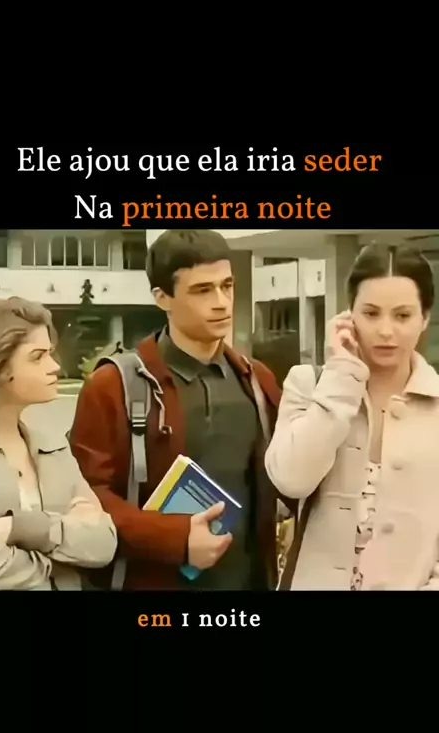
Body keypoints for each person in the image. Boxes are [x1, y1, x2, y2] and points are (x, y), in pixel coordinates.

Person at [69, 229, 290, 590]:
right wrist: (174, 538)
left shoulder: (257, 380)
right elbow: (85, 496)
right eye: (202, 290)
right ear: (162, 298)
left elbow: (292, 475)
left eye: (227, 286)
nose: (221, 302)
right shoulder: (113, 386)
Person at [265, 243, 439, 590]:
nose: (386, 330)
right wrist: (342, 376)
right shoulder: (310, 384)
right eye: (371, 314)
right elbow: (290, 479)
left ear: (425, 318)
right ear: (349, 315)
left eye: (402, 316)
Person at [0, 297, 117, 590]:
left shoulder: (53, 447)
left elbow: (104, 543)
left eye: (50, 354)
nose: (55, 366)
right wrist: (58, 564)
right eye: (37, 357)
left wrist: (20, 528)